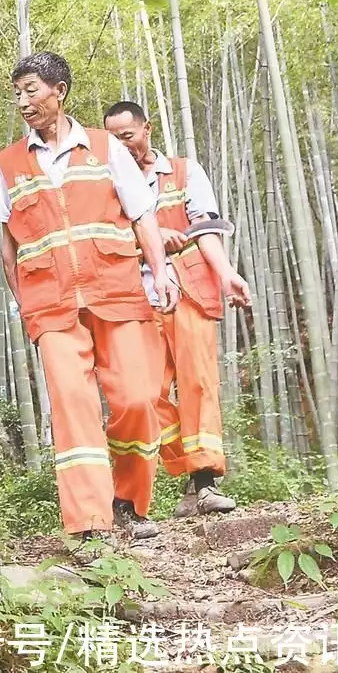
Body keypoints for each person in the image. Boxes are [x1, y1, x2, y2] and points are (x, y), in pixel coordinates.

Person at [0, 52, 179, 549]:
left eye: (32, 90)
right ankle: (89, 524)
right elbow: (8, 244)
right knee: (72, 407)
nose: (23, 102)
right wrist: (23, 303)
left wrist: (160, 272)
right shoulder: (7, 162)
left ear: (60, 90)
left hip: (116, 292)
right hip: (50, 305)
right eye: (17, 94)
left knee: (138, 399)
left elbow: (143, 215)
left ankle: (128, 502)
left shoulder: (104, 148)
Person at [104, 100, 251, 517]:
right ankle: (182, 467)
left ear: (146, 129)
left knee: (198, 383)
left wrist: (225, 274)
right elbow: (105, 240)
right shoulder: (105, 183)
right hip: (135, 297)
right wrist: (148, 239)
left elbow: (205, 228)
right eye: (113, 140)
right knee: (144, 394)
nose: (122, 146)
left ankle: (204, 483)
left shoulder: (184, 172)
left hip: (188, 289)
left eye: (127, 137)